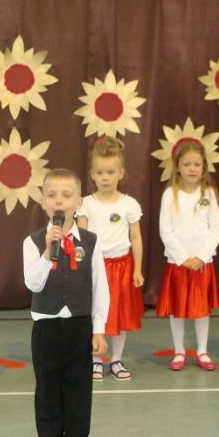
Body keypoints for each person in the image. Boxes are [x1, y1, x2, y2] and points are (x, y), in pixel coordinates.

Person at [23, 168, 109, 437]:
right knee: (47, 392)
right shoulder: (33, 241)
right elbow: (33, 284)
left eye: (66, 195)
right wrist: (48, 251)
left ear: (79, 202)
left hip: (79, 326)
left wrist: (98, 329)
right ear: (43, 202)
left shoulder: (92, 242)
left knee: (78, 393)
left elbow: (100, 287)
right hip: (46, 327)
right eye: (52, 195)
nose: (59, 201)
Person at [77, 137, 144, 381]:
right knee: (96, 314)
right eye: (100, 172)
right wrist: (81, 268)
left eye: (110, 172)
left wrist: (137, 269)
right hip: (95, 267)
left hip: (122, 267)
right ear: (92, 175)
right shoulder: (86, 204)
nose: (105, 177)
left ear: (121, 174)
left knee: (118, 314)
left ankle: (116, 359)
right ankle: (96, 360)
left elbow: (135, 238)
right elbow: (80, 238)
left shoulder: (129, 204)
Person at [156, 139, 219, 371]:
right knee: (178, 309)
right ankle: (179, 351)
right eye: (187, 164)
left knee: (201, 309)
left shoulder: (209, 193)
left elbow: (215, 228)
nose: (192, 169)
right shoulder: (170, 194)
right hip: (179, 263)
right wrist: (183, 257)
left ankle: (202, 351)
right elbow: (165, 229)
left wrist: (202, 256)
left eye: (196, 164)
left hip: (202, 263)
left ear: (203, 167)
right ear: (177, 167)